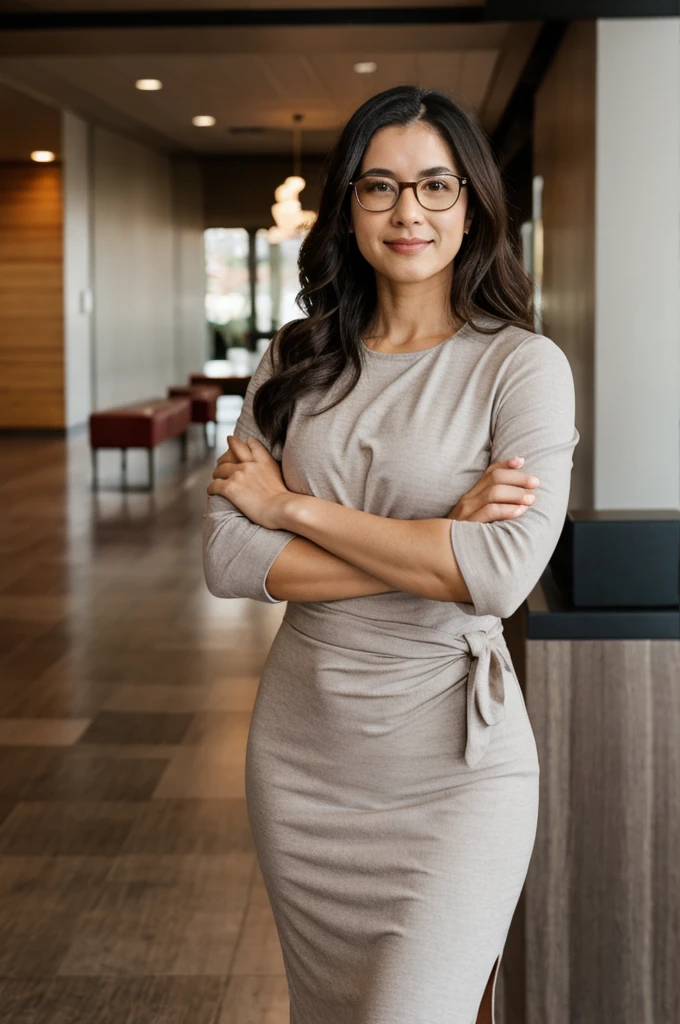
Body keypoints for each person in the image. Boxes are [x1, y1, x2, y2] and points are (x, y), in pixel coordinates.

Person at [203, 84, 579, 1024]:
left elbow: (498, 574)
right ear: (347, 206)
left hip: (454, 765)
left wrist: (292, 506)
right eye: (379, 186)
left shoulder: (521, 366)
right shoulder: (296, 359)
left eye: (435, 186)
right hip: (305, 759)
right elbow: (227, 558)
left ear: (472, 203)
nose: (408, 210)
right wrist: (438, 535)